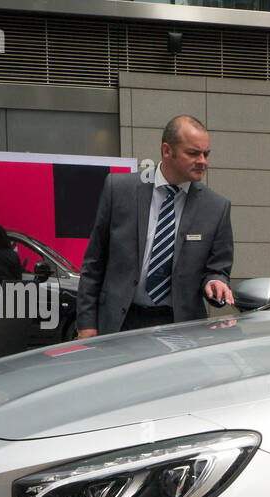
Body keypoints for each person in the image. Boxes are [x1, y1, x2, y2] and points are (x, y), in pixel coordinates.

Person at [76, 115, 234, 338]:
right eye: (193, 153)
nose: (202, 161)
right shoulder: (120, 189)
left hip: (180, 328)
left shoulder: (216, 207)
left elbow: (217, 268)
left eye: (206, 154)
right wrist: (86, 324)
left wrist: (216, 281)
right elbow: (94, 263)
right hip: (120, 323)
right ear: (167, 151)